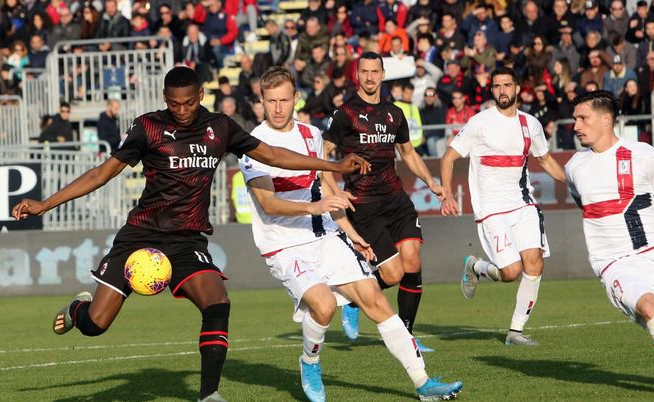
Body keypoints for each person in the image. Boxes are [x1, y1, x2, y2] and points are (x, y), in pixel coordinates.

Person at [11, 67, 369, 402]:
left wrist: (333, 165)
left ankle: (209, 394)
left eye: (189, 102)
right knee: (96, 325)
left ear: (200, 95)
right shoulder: (147, 127)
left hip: (187, 240)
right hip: (140, 237)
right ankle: (78, 310)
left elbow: (274, 155)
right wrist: (45, 204)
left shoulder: (220, 127)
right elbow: (101, 174)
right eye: (173, 103)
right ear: (165, 98)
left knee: (218, 303)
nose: (181, 110)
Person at [240, 66, 463, 402]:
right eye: (270, 101)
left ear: (295, 99)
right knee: (325, 305)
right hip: (284, 246)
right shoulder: (253, 145)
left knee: (376, 300)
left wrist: (350, 230)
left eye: (284, 100)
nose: (277, 108)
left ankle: (424, 383)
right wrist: (314, 208)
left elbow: (326, 184)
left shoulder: (311, 135)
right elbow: (268, 204)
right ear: (261, 101)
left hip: (326, 236)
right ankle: (310, 361)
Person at [323, 52, 442, 352]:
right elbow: (320, 154)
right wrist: (333, 190)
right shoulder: (345, 113)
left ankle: (408, 335)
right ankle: (353, 297)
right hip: (364, 203)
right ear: (357, 74)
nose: (370, 77)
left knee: (413, 259)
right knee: (393, 273)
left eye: (375, 71)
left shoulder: (394, 113)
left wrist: (431, 181)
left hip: (396, 199)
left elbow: (409, 153)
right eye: (364, 71)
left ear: (383, 74)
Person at [439, 66, 566, 346]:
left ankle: (515, 332)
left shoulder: (530, 124)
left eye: (507, 85)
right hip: (491, 209)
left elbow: (545, 160)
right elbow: (448, 158)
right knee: (510, 272)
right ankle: (475, 267)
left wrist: (572, 181)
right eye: (496, 86)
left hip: (523, 204)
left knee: (534, 265)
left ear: (518, 88)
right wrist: (446, 193)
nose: (502, 91)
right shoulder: (480, 122)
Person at [565, 90, 654, 365]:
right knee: (649, 307)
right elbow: (586, 206)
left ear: (606, 119)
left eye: (583, 118)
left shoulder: (641, 154)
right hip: (613, 261)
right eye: (575, 119)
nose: (576, 126)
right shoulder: (574, 167)